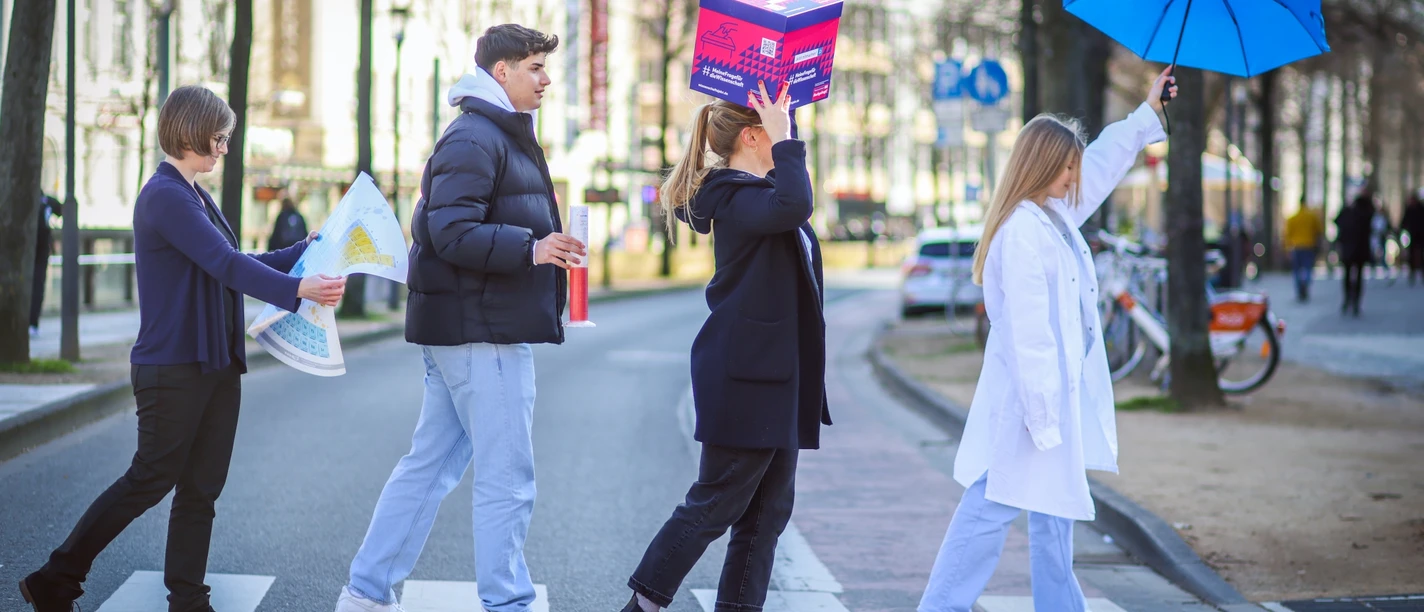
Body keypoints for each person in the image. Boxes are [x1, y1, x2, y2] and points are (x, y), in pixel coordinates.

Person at [18, 85, 346, 612]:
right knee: (149, 479)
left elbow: (233, 257)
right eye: (218, 137)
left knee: (201, 490)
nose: (223, 148)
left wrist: (300, 253)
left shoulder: (192, 192)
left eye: (226, 139)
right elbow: (225, 265)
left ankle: (188, 600)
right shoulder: (164, 194)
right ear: (192, 131)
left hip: (213, 363)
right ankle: (56, 577)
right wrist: (297, 289)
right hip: (172, 366)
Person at [334, 24, 584, 612]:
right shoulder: (476, 137)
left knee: (429, 468)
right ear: (501, 72)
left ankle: (366, 593)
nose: (546, 79)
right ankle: (509, 603)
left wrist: (541, 246)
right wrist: (532, 247)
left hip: (468, 328)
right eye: (535, 67)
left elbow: (451, 226)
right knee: (507, 478)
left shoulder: (488, 133)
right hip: (483, 331)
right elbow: (448, 231)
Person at [916, 68, 1175, 612]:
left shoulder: (1053, 215)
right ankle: (940, 607)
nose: (1074, 177)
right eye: (1066, 168)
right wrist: (1044, 415)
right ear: (1043, 167)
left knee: (1053, 513)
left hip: (1052, 398)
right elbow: (1029, 336)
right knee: (991, 507)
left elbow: (1102, 166)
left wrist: (1146, 111)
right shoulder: (1021, 232)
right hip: (1030, 403)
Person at [616, 81, 830, 612]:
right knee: (714, 503)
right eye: (779, 122)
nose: (789, 128)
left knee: (765, 516)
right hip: (747, 377)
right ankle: (640, 606)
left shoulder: (757, 197)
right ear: (755, 136)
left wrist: (783, 139)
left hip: (777, 378)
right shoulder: (735, 198)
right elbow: (796, 203)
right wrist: (789, 143)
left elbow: (792, 207)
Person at [1335, 191, 1375, 317]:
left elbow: (1337, 222)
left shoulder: (1348, 212)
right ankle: (1356, 302)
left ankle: (1347, 300)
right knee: (1358, 277)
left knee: (1347, 275)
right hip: (1360, 251)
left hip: (1347, 249)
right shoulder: (1366, 214)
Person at [29, 193, 63, 337]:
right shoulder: (46, 201)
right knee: (37, 286)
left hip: (39, 250)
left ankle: (32, 323)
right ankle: (32, 323)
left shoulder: (46, 201)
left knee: (36, 286)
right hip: (39, 250)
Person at [1284, 197, 1324, 302]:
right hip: (1309, 245)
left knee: (1297, 270)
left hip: (1296, 246)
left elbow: (1288, 234)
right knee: (1307, 268)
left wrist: (1287, 248)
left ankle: (1299, 289)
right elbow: (1319, 231)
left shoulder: (1293, 218)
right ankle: (1305, 285)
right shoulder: (1312, 217)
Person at [1402, 190, 1424, 285]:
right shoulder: (1409, 209)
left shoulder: (1421, 209)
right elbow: (1404, 222)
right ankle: (1412, 273)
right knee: (1411, 255)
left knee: (1421, 255)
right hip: (1412, 236)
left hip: (1421, 236)